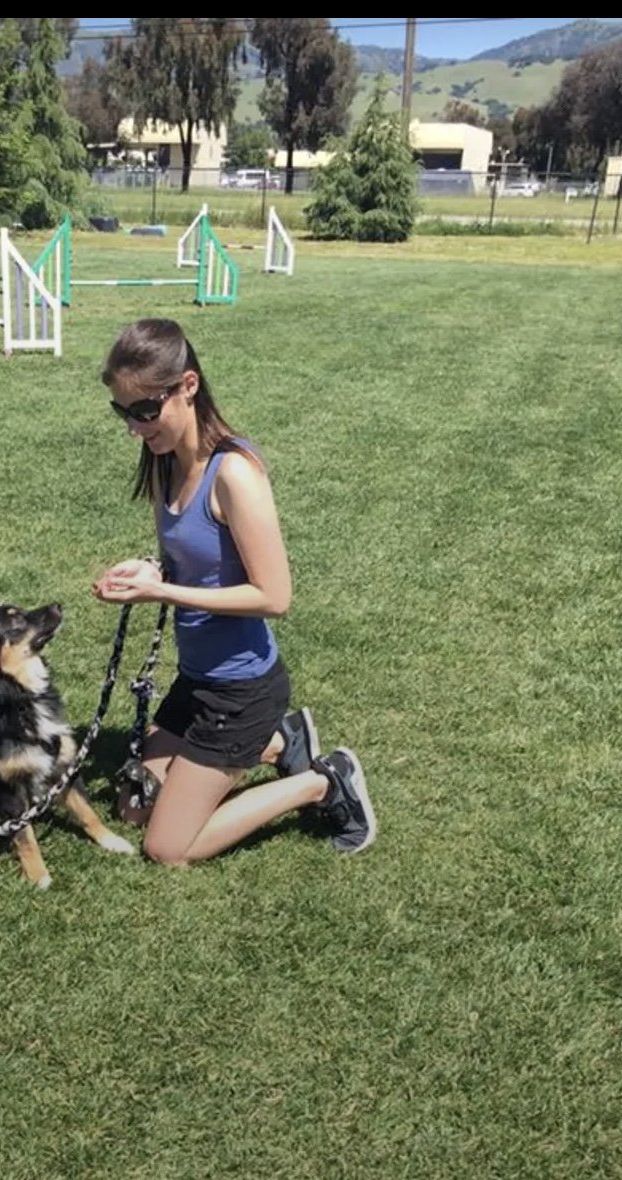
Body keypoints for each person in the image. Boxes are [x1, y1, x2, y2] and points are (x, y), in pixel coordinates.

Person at [91, 318, 376, 866]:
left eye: (145, 411)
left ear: (188, 387)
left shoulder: (234, 473)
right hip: (197, 682)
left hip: (240, 691)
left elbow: (275, 597)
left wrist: (163, 594)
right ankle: (277, 743)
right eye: (122, 412)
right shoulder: (164, 461)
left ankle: (322, 781)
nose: (134, 427)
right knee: (132, 805)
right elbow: (191, 560)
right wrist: (146, 569)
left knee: (166, 847)